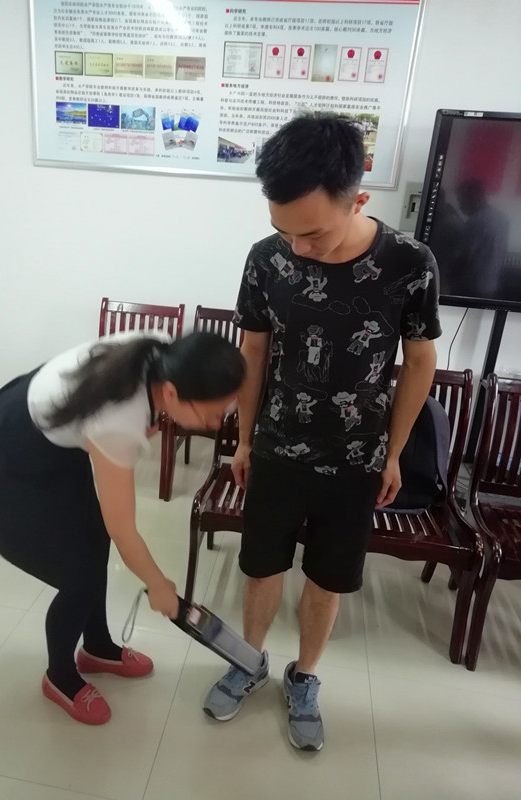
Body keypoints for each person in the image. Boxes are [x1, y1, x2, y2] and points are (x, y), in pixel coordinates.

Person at [203, 112, 441, 751]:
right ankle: (248, 659)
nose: (297, 247)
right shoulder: (267, 259)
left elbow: (419, 361)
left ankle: (304, 675)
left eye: (312, 233)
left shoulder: (409, 263)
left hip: (359, 456)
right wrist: (244, 440)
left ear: (357, 200)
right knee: (261, 564)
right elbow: (254, 350)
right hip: (278, 443)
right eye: (284, 229)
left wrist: (394, 453)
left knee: (329, 576)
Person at [0, 331, 245, 725]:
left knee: (94, 539)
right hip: (18, 448)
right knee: (78, 578)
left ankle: (97, 647)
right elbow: (124, 528)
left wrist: (149, 419)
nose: (217, 423)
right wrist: (158, 584)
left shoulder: (162, 353)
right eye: (212, 414)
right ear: (172, 392)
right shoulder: (118, 419)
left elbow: (110, 514)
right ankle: (60, 676)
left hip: (58, 429)